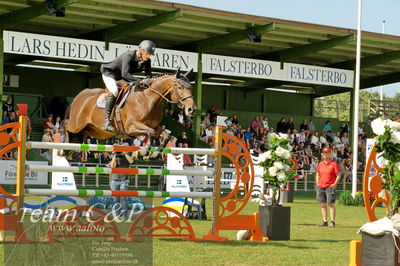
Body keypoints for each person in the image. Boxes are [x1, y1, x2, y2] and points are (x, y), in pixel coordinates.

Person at [100, 40, 156, 131]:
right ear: (141, 50)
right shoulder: (129, 56)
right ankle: (106, 121)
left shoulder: (147, 61)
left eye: (150, 54)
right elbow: (125, 74)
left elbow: (149, 76)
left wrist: (150, 82)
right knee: (114, 91)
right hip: (110, 74)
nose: (149, 56)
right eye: (148, 53)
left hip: (121, 77)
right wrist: (140, 81)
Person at [316, 148, 341, 227]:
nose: (325, 155)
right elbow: (317, 174)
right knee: (322, 204)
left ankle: (332, 221)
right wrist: (317, 183)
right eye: (323, 153)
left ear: (330, 154)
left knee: (330, 204)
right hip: (321, 186)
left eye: (326, 153)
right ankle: (324, 221)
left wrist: (334, 184)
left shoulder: (334, 164)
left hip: (330, 186)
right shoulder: (320, 164)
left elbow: (338, 175)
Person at [110, 145, 134, 219]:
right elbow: (112, 166)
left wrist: (125, 153)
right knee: (115, 199)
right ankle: (117, 215)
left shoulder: (128, 154)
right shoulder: (115, 155)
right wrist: (114, 154)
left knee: (123, 199)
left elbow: (131, 161)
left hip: (124, 180)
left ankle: (124, 215)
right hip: (114, 180)